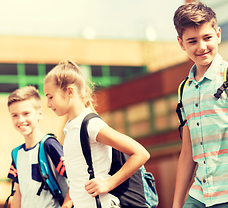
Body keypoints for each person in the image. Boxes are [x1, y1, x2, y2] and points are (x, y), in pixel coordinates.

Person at [172, 1, 228, 208]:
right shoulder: (184, 90)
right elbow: (187, 153)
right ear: (181, 43)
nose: (201, 46)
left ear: (218, 34)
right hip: (199, 195)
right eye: (192, 41)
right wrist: (177, 204)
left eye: (207, 38)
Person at [43, 59, 150, 208]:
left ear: (69, 91)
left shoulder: (90, 125)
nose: (48, 104)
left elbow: (141, 153)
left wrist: (108, 184)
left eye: (50, 97)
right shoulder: (70, 128)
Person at [7, 86, 70, 208]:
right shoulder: (16, 153)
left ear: (39, 114)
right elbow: (18, 194)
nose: (21, 120)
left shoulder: (49, 145)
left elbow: (76, 179)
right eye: (14, 115)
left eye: (26, 113)